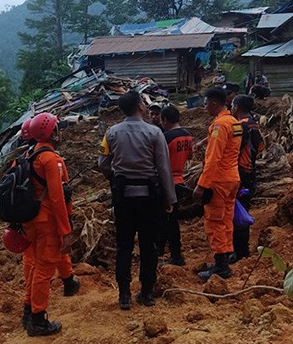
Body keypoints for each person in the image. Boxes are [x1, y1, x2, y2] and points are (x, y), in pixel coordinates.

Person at [98, 91, 176, 309]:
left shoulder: (111, 132)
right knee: (148, 246)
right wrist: (169, 198)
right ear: (140, 106)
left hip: (123, 198)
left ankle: (124, 294)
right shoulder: (155, 133)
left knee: (124, 246)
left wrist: (115, 176)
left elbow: (103, 163)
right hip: (150, 198)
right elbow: (163, 168)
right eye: (143, 101)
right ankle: (146, 292)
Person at [19, 119, 80, 332]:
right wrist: (66, 230)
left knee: (36, 266)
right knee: (44, 269)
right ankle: (38, 319)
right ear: (51, 132)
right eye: (56, 128)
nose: (59, 132)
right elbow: (58, 198)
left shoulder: (29, 156)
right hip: (47, 222)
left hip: (31, 222)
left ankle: (29, 310)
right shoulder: (51, 160)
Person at [194, 88, 243, 281]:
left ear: (214, 103)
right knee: (226, 220)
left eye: (206, 103)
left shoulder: (219, 126)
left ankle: (221, 266)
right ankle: (225, 257)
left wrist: (201, 185)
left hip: (219, 180)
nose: (205, 107)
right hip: (232, 178)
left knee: (214, 221)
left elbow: (213, 158)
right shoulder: (233, 122)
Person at [230, 95, 264, 264]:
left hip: (241, 174)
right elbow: (260, 147)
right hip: (250, 172)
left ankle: (240, 252)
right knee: (242, 211)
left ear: (236, 107)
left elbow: (232, 149)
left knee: (238, 214)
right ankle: (239, 250)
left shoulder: (241, 126)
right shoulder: (254, 124)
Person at [158, 106, 193, 266]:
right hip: (180, 180)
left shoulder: (166, 137)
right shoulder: (187, 136)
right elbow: (190, 155)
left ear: (165, 120)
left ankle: (176, 255)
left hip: (166, 182)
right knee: (171, 219)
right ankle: (167, 251)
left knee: (168, 221)